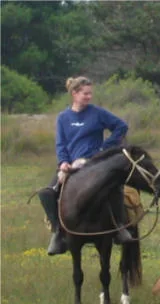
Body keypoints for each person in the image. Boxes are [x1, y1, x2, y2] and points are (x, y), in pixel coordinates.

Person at [38, 76, 134, 256]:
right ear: (74, 94)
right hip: (70, 164)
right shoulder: (63, 118)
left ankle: (119, 227)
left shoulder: (98, 113)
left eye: (90, 93)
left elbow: (121, 126)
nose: (89, 97)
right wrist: (63, 163)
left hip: (95, 163)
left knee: (115, 186)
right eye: (85, 94)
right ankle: (58, 232)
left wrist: (103, 149)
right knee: (46, 193)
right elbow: (61, 144)